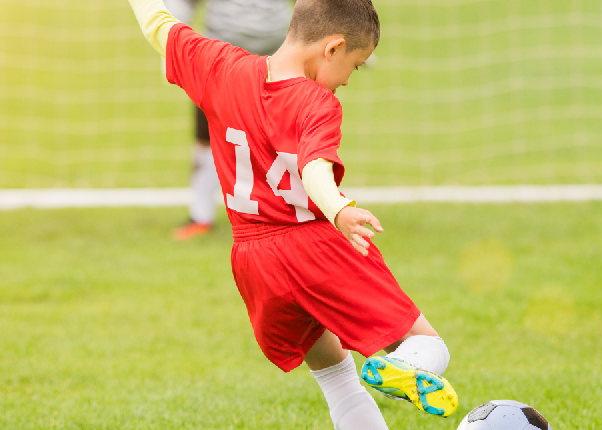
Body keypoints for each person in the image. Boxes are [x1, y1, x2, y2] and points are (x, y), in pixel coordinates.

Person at [127, 0, 459, 428]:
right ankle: (409, 366)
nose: (348, 80)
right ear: (333, 48)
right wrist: (338, 209)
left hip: (254, 262)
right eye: (354, 66)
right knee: (430, 346)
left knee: (335, 374)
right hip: (313, 248)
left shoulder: (221, 67)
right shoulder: (316, 103)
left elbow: (159, 25)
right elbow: (314, 168)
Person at [166, 0, 292, 240]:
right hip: (218, 56)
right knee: (208, 135)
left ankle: (282, 213)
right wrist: (172, 47)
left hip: (276, 57)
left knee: (279, 136)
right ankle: (200, 216)